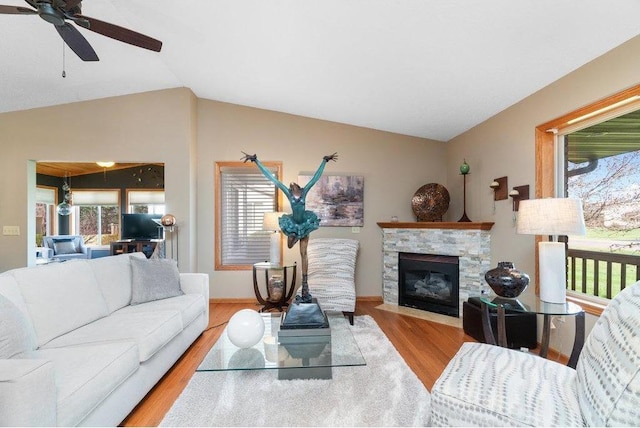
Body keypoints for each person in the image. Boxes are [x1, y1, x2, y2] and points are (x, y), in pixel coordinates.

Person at [242, 151, 338, 303]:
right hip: (293, 224)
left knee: (304, 254)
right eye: (291, 188)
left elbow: (316, 178)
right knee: (290, 244)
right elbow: (271, 178)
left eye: (294, 187)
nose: (293, 188)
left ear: (298, 188)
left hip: (304, 224)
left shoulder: (305, 191)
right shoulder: (288, 193)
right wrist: (256, 161)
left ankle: (305, 285)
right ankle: (292, 238)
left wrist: (324, 161)